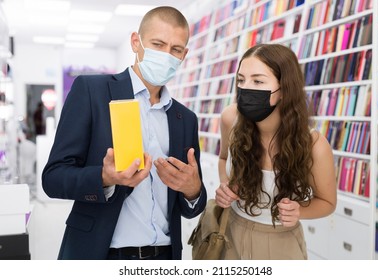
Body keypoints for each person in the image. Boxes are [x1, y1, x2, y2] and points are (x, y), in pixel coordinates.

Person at [42, 6, 207, 260]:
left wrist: (193, 189)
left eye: (175, 50)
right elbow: (53, 178)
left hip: (165, 256)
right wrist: (104, 178)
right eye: (158, 44)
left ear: (184, 55)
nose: (166, 55)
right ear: (136, 42)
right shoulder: (91, 92)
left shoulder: (185, 119)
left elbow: (191, 205)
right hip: (102, 254)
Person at [215, 43, 337, 260]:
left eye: (258, 81)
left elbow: (327, 202)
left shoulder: (314, 145)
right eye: (241, 80)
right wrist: (226, 185)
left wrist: (299, 210)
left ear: (284, 88)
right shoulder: (229, 118)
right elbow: (224, 157)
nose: (246, 88)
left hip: (281, 242)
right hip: (230, 234)